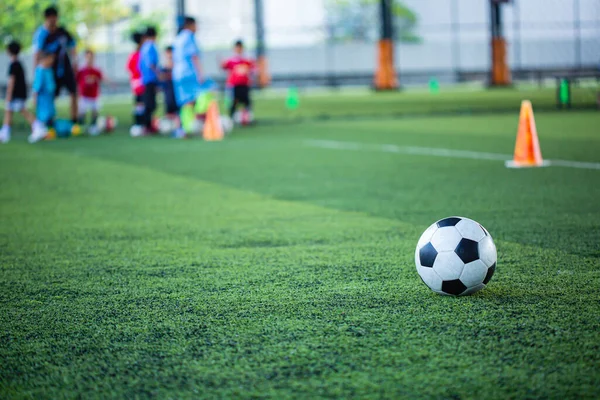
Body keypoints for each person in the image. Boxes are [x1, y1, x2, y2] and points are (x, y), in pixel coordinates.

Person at [32, 6, 78, 124]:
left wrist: (75, 62)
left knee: (73, 91)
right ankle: (48, 119)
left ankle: (75, 119)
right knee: (50, 94)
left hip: (65, 67)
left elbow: (72, 45)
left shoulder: (62, 32)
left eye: (55, 18)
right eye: (51, 18)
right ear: (47, 18)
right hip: (50, 70)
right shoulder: (41, 34)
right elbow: (37, 54)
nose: (53, 21)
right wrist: (36, 72)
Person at [1, 41, 45, 143]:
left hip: (16, 94)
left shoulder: (14, 64)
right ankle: (5, 132)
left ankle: (38, 127)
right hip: (20, 92)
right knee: (9, 111)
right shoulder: (18, 64)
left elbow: (12, 81)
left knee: (23, 111)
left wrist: (8, 94)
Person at [172, 16, 203, 136]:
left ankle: (183, 127)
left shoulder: (178, 38)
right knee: (191, 100)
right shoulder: (189, 37)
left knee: (184, 101)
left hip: (178, 73)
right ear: (190, 25)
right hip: (188, 72)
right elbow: (193, 56)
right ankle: (187, 127)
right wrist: (200, 73)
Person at [221, 39, 255, 123]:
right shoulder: (231, 60)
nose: (239, 49)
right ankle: (231, 118)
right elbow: (224, 67)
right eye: (237, 48)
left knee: (247, 102)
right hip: (234, 85)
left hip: (244, 85)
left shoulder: (247, 60)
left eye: (240, 48)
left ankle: (247, 118)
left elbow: (253, 69)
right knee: (233, 102)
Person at [30, 52, 57, 143]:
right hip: (43, 99)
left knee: (50, 114)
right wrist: (35, 98)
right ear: (44, 59)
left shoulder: (49, 70)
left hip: (49, 98)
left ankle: (48, 132)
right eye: (50, 59)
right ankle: (39, 132)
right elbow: (36, 87)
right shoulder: (40, 70)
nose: (51, 61)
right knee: (42, 116)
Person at [76, 49, 104, 135]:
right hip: (84, 95)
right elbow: (77, 81)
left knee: (95, 111)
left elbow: (101, 78)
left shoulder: (96, 70)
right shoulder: (81, 70)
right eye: (88, 57)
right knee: (82, 112)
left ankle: (93, 126)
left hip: (94, 95)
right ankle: (81, 127)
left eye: (91, 57)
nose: (89, 59)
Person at [138, 27, 160, 133]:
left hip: (145, 79)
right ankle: (146, 126)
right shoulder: (151, 46)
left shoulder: (143, 47)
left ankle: (148, 125)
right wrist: (158, 73)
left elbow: (140, 66)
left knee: (149, 103)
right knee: (150, 104)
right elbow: (151, 63)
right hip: (150, 79)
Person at [126, 32, 145, 133]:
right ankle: (139, 124)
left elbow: (129, 68)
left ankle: (138, 123)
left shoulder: (134, 54)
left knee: (139, 103)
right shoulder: (140, 54)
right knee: (140, 103)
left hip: (135, 82)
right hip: (139, 81)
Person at [161, 46, 178, 119]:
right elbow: (161, 77)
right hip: (168, 89)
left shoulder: (177, 65)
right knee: (169, 103)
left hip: (176, 89)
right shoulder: (164, 66)